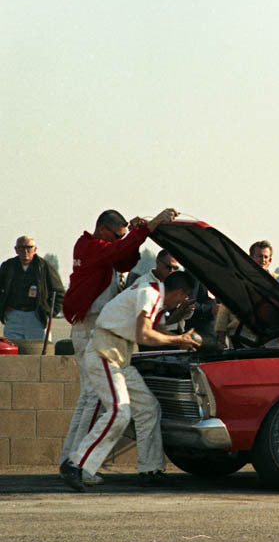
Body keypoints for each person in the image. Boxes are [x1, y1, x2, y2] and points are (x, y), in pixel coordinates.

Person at [59, 208, 176, 480]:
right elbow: (117, 254)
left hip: (102, 329)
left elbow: (124, 261)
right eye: (118, 234)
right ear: (103, 230)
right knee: (91, 399)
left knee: (91, 399)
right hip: (91, 327)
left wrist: (135, 237)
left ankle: (72, 459)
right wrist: (144, 230)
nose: (120, 239)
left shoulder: (101, 249)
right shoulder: (89, 246)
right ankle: (74, 464)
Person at [59, 270, 201, 491]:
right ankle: (75, 464)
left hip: (119, 356)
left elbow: (158, 328)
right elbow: (145, 335)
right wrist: (178, 340)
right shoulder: (150, 294)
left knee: (148, 408)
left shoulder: (153, 295)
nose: (184, 301)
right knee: (119, 411)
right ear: (181, 292)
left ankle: (150, 470)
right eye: (185, 297)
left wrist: (177, 325)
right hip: (105, 353)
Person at [0, 235, 64, 344]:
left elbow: (59, 292)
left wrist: (49, 312)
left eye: (29, 248)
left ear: (35, 250)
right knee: (13, 349)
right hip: (13, 315)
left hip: (37, 316)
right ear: (16, 250)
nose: (25, 251)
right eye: (21, 248)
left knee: (38, 350)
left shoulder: (44, 267)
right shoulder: (8, 266)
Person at [215, 240, 273, 347]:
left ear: (270, 260)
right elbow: (224, 308)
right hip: (240, 333)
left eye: (266, 257)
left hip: (266, 335)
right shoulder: (238, 280)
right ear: (250, 258)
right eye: (259, 256)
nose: (263, 260)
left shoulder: (275, 283)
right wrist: (221, 337)